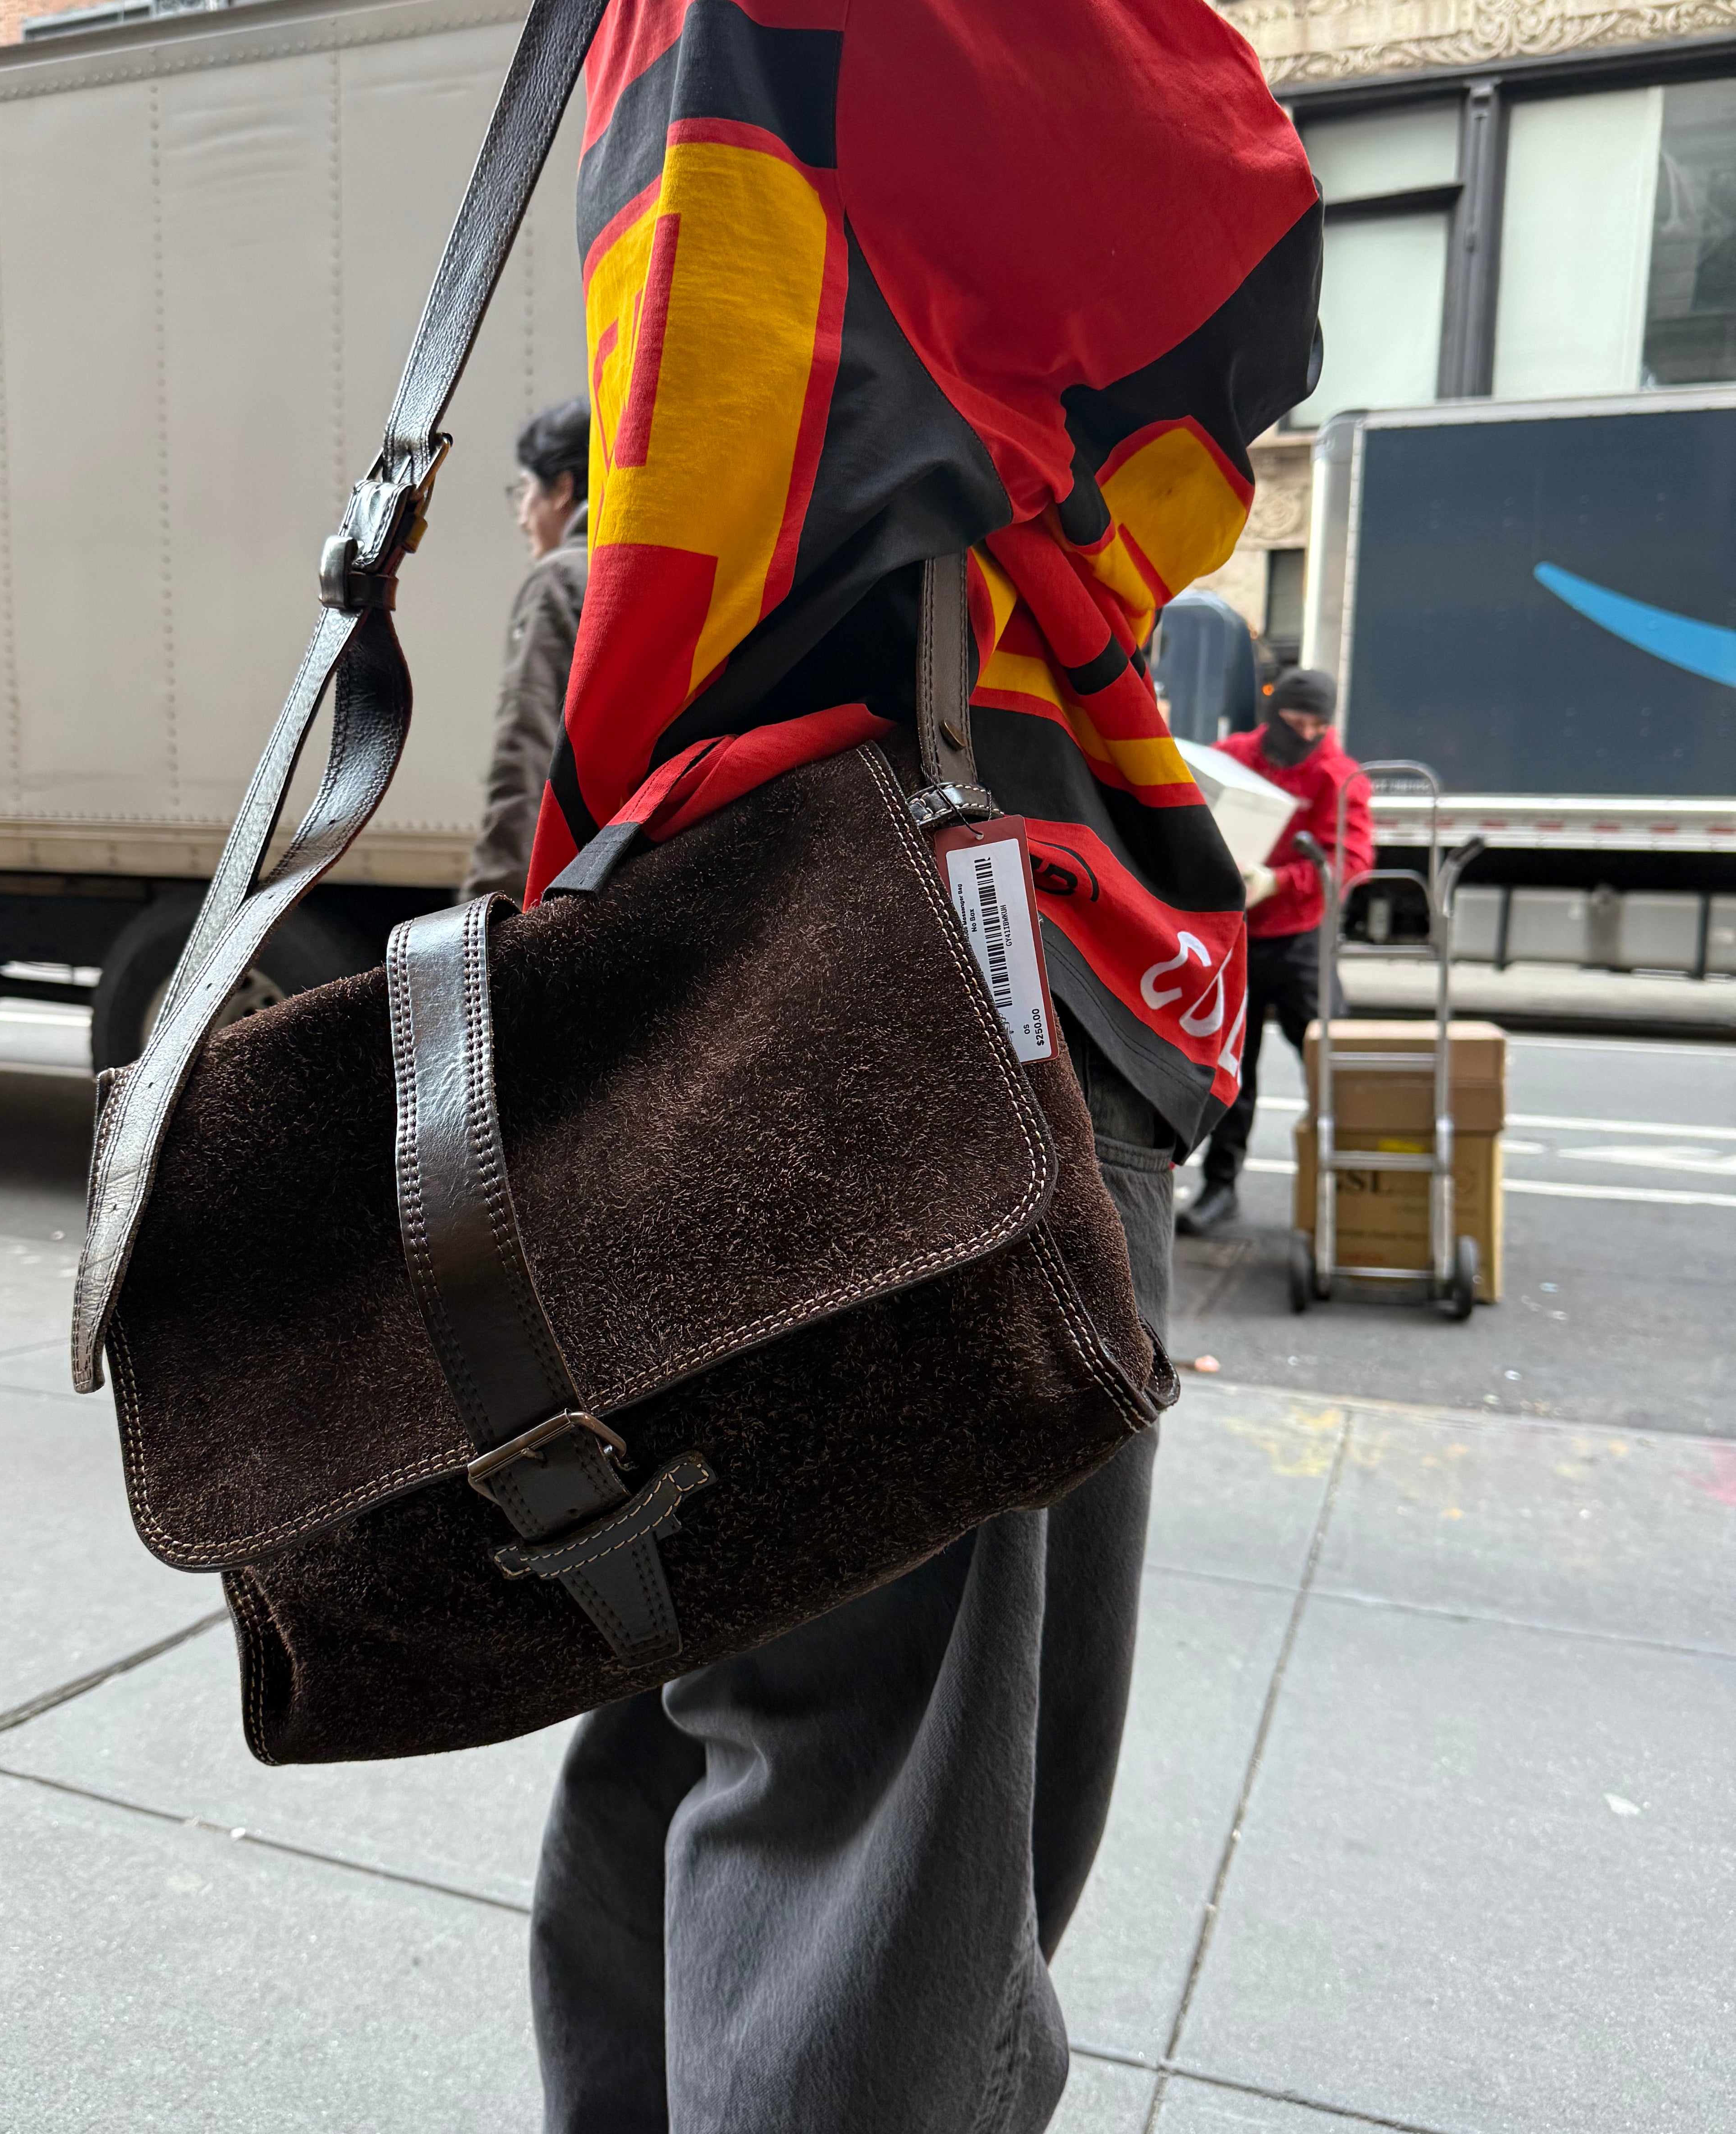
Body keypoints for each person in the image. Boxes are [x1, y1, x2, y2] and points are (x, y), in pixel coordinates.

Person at [521, 3, 1322, 2126]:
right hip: (960, 940)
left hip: (686, 931)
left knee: (708, 1743)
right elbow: (1244, 260)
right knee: (894, 1859)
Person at [1178, 668, 1374, 1236]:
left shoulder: (1339, 777)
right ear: (1274, 713)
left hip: (1297, 940)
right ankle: (1220, 1188)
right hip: (1233, 937)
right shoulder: (1230, 758)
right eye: (1296, 721)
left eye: (1318, 725)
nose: (1307, 733)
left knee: (1328, 1061)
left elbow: (1351, 859)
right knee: (1231, 1070)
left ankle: (1352, 1184)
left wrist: (1279, 882)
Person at [457, 396, 590, 904]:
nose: (521, 516)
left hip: (579, 883)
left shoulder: (562, 580)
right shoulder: (651, 568)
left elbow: (527, 751)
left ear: (563, 489)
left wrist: (488, 906)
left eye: (525, 490)